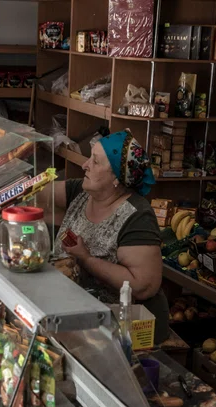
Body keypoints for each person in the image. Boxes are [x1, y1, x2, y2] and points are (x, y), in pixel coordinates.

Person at [52, 130, 169, 344]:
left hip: (120, 334)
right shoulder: (82, 191)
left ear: (116, 176)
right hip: (76, 317)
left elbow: (143, 285)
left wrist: (86, 259)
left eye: (95, 161)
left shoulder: (137, 216)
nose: (85, 165)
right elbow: (35, 195)